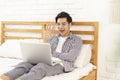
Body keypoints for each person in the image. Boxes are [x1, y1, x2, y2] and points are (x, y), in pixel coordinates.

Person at [0, 11, 82, 80]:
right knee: (24, 64)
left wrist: (53, 53)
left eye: (63, 24)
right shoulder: (54, 37)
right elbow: (44, 52)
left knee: (40, 68)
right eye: (58, 24)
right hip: (47, 60)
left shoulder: (76, 39)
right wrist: (45, 41)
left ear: (70, 25)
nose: (60, 27)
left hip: (61, 64)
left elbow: (71, 57)